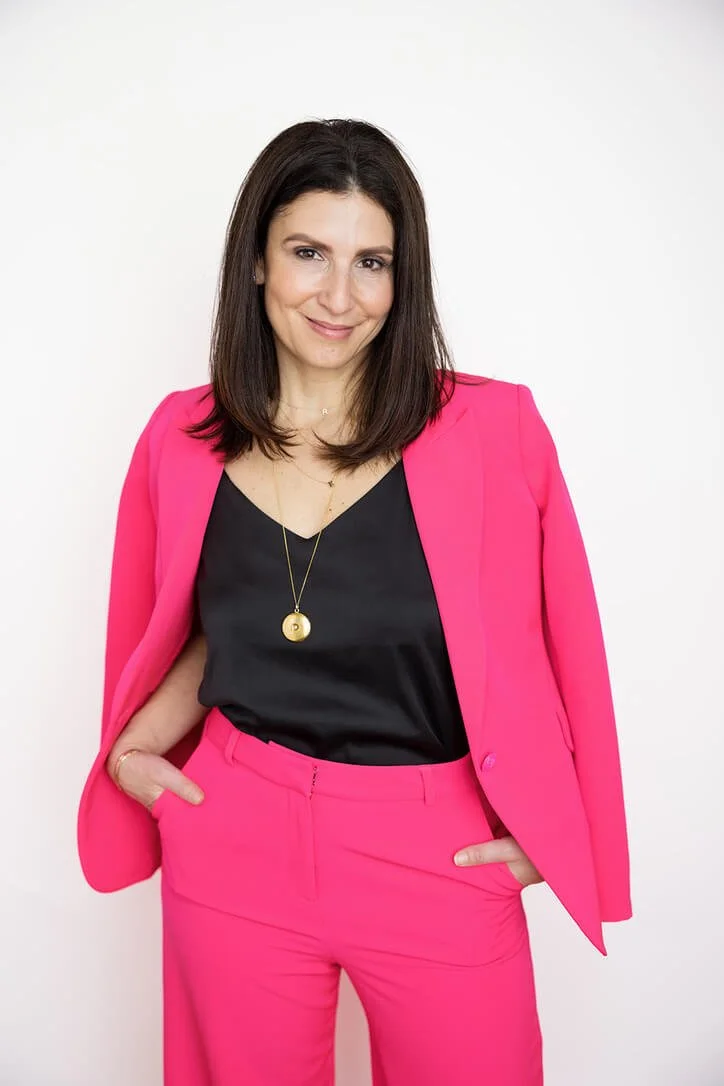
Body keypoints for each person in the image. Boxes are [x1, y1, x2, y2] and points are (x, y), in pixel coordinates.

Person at [77, 117, 632, 1086]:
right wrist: (132, 750)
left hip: (437, 843)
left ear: (401, 279)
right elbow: (213, 632)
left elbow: (568, 642)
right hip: (235, 832)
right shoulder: (181, 436)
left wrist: (566, 831)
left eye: (370, 262)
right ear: (256, 261)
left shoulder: (494, 430)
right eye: (308, 253)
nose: (339, 296)